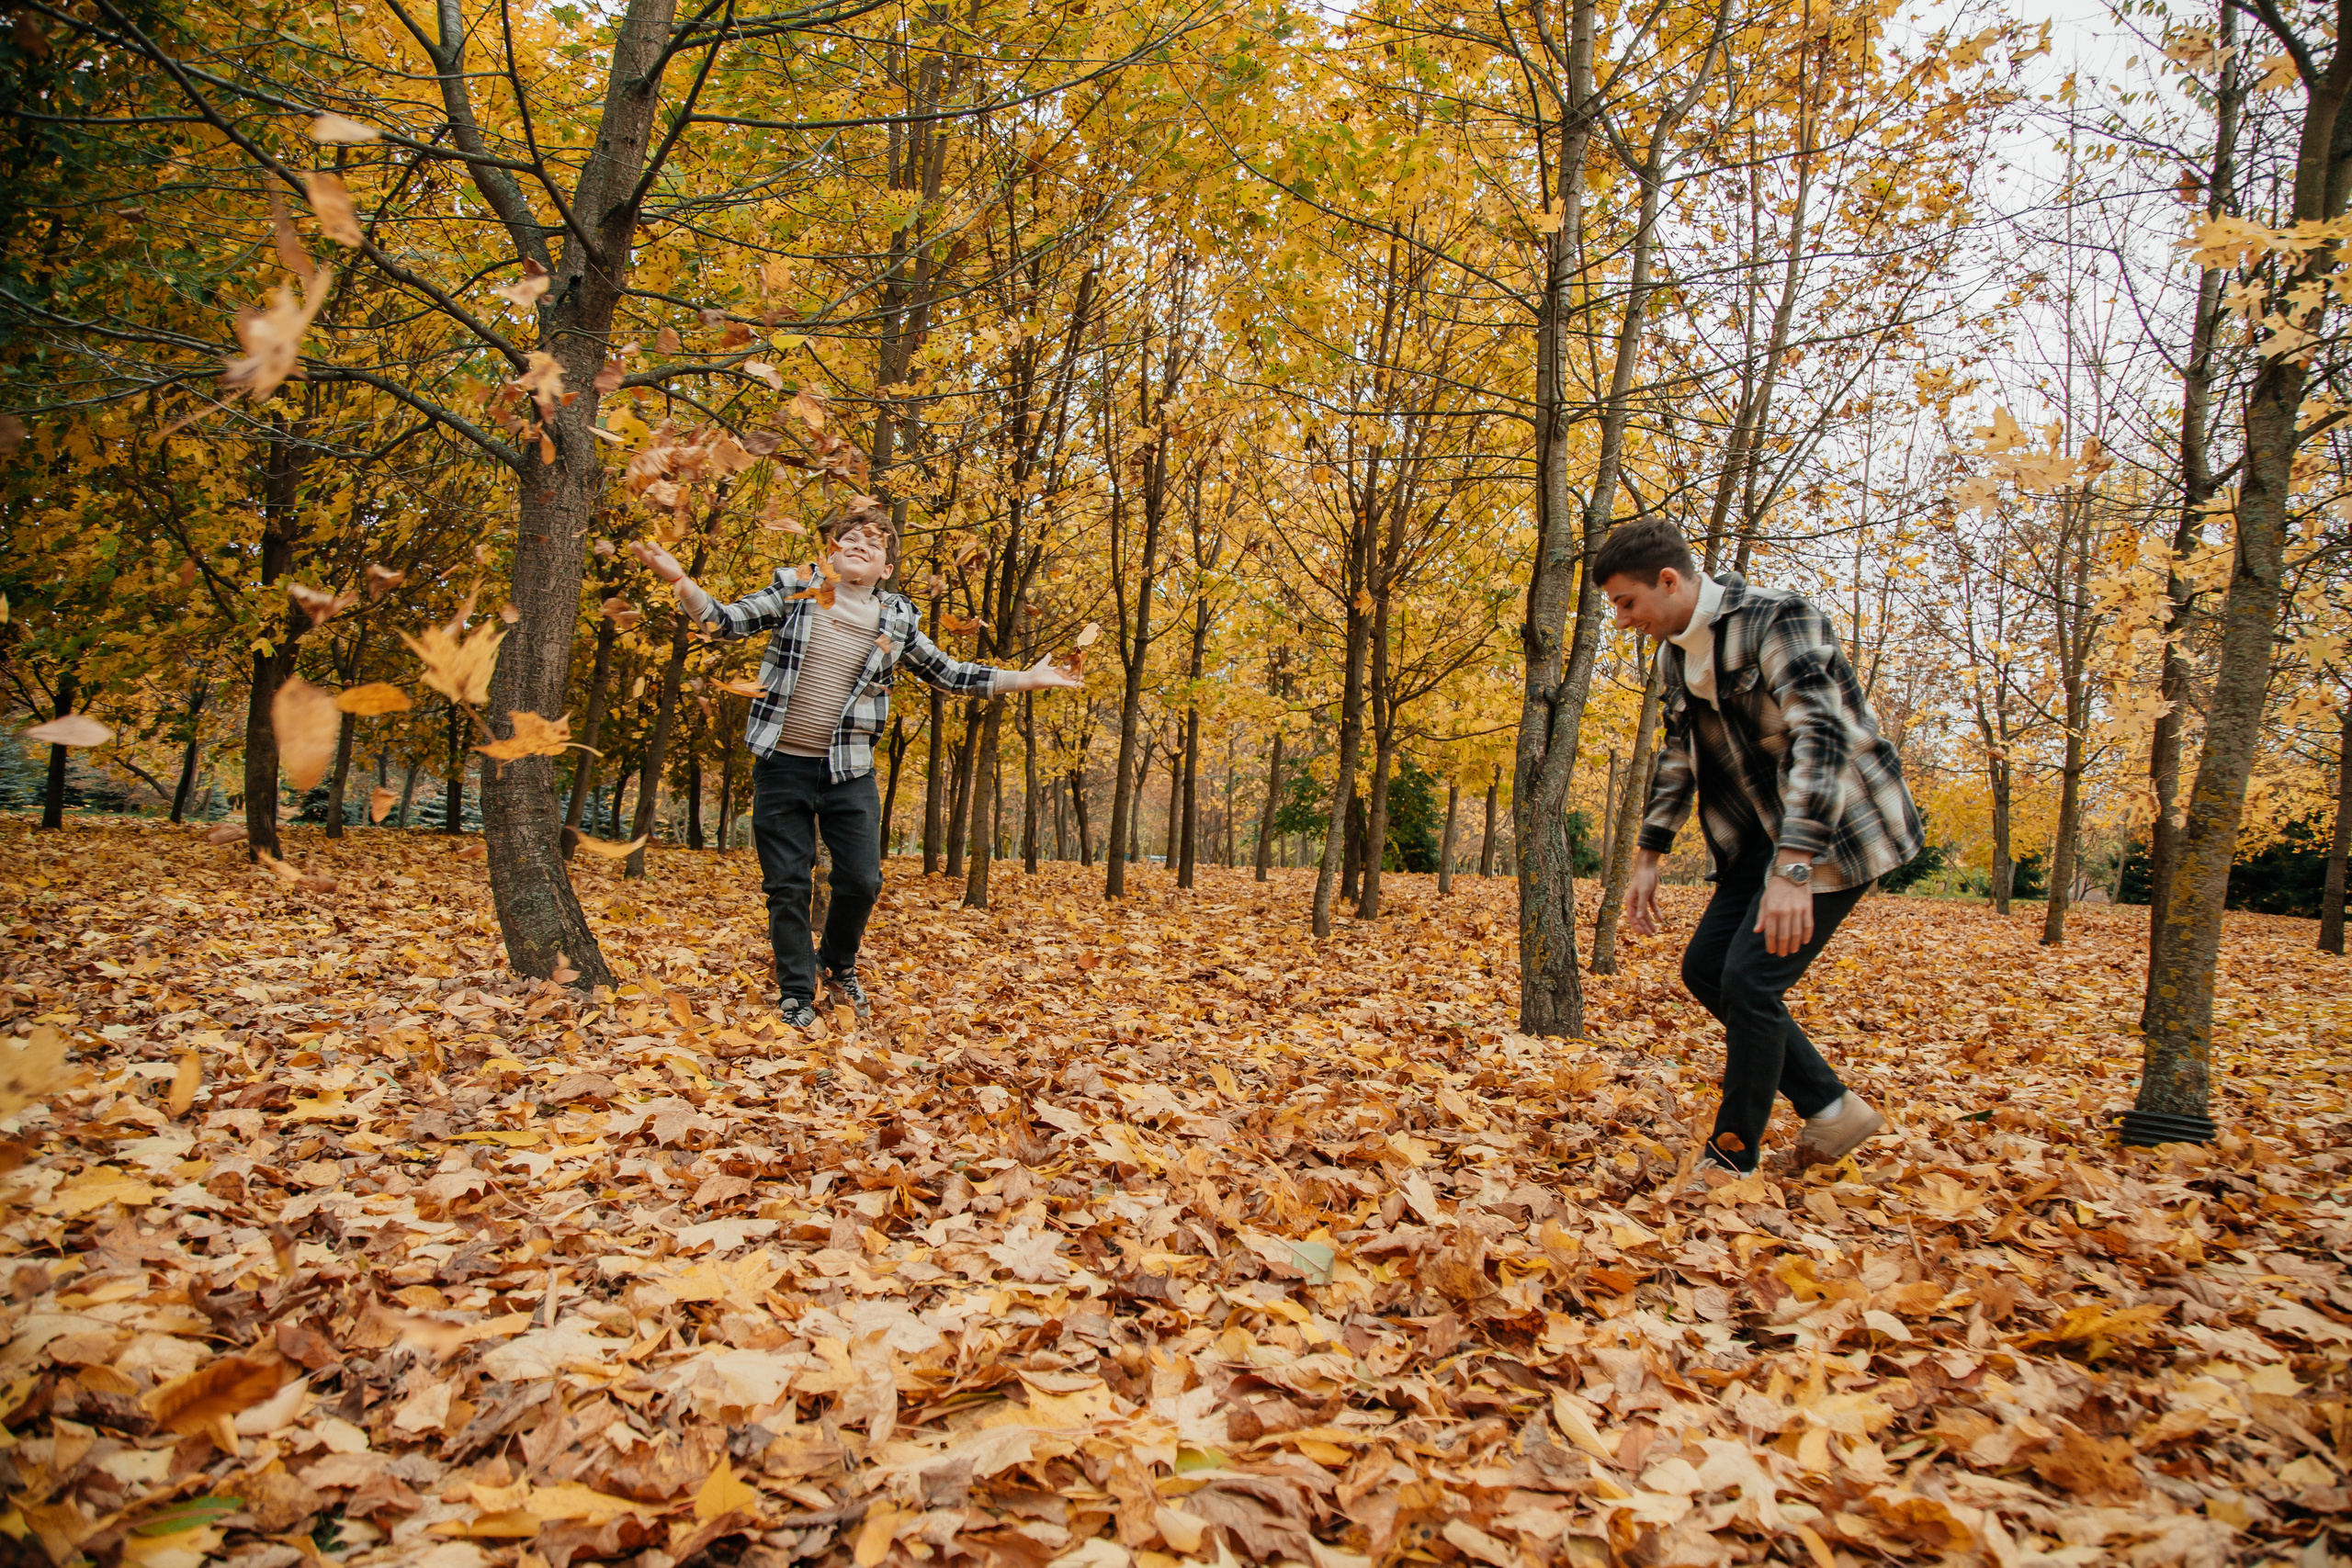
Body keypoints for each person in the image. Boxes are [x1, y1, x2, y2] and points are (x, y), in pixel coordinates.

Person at [630, 504, 1080, 1028]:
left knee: (863, 881)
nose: (859, 544)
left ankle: (838, 965)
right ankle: (796, 993)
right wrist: (681, 580)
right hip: (782, 766)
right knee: (788, 886)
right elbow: (723, 622)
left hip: (850, 772)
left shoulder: (899, 618)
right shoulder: (796, 590)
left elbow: (950, 673)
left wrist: (1024, 678)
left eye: (874, 542)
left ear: (885, 568)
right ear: (831, 550)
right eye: (849, 537)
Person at [1600, 519, 1923, 1174]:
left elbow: (1822, 738)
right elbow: (1677, 757)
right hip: (1755, 840)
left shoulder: (1780, 618)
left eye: (1627, 602)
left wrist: (1796, 867)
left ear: (1669, 580)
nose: (1624, 619)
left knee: (1749, 978)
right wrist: (1649, 855)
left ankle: (1732, 1155)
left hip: (1835, 828)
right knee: (1707, 969)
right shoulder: (1674, 656)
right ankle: (1831, 1108)